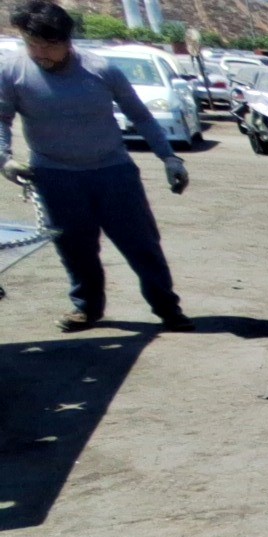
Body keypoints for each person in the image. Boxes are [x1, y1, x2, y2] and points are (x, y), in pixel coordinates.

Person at [0, 0, 193, 332]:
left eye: (50, 45)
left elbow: (141, 116)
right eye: (33, 45)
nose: (41, 53)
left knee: (142, 245)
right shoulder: (12, 72)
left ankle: (167, 308)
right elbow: (1, 119)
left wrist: (169, 157)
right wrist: (4, 159)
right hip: (55, 177)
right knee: (76, 250)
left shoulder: (102, 69)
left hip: (113, 174)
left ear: (67, 40)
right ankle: (87, 308)